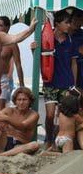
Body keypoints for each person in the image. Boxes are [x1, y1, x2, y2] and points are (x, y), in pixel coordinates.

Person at [31, 10, 79, 149]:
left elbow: (74, 64)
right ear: (57, 23)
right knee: (50, 115)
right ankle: (49, 140)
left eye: (70, 22)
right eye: (66, 22)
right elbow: (39, 57)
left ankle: (59, 142)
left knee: (64, 115)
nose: (69, 25)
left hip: (66, 84)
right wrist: (33, 49)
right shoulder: (46, 37)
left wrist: (74, 85)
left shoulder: (71, 41)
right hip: (50, 83)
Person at [0, 87, 40, 156]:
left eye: (24, 100)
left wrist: (7, 118)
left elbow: (23, 126)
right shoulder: (9, 110)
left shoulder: (33, 114)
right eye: (19, 100)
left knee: (35, 145)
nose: (21, 103)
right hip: (4, 142)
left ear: (30, 101)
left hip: (20, 145)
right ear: (15, 101)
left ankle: (0, 155)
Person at [0, 16, 25, 110]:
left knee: (0, 108)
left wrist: (22, 85)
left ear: (7, 28)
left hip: (3, 79)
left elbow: (18, 65)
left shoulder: (12, 44)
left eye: (0, 25)